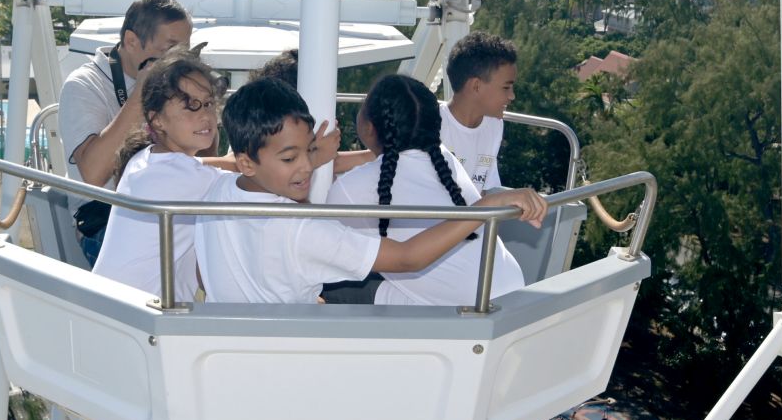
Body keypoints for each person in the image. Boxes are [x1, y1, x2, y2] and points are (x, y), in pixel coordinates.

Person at [195, 78, 545, 304]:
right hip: (287, 358)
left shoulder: (217, 192)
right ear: (247, 162)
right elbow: (408, 258)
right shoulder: (301, 229)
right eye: (291, 157)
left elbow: (202, 273)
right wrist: (486, 207)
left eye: (308, 151)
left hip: (232, 347)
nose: (305, 166)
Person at [329, 74, 525, 306]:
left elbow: (316, 244)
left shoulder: (348, 188)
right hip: (512, 291)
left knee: (332, 283)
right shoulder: (444, 159)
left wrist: (316, 160)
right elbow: (393, 157)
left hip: (463, 312)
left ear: (369, 127)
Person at [59, 0, 193, 263]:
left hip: (166, 209)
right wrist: (142, 94)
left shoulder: (176, 83)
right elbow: (94, 174)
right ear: (132, 41)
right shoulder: (83, 85)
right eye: (170, 50)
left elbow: (199, 158)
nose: (178, 61)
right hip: (106, 219)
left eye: (186, 52)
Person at [92, 50, 229, 303]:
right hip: (138, 317)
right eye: (189, 106)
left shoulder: (146, 158)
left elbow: (201, 166)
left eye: (208, 103)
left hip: (112, 308)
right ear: (157, 121)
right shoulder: (185, 178)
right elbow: (256, 181)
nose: (204, 116)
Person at [440, 32, 518, 192]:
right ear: (476, 86)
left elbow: (483, 191)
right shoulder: (430, 125)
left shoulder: (494, 125)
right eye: (506, 87)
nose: (512, 96)